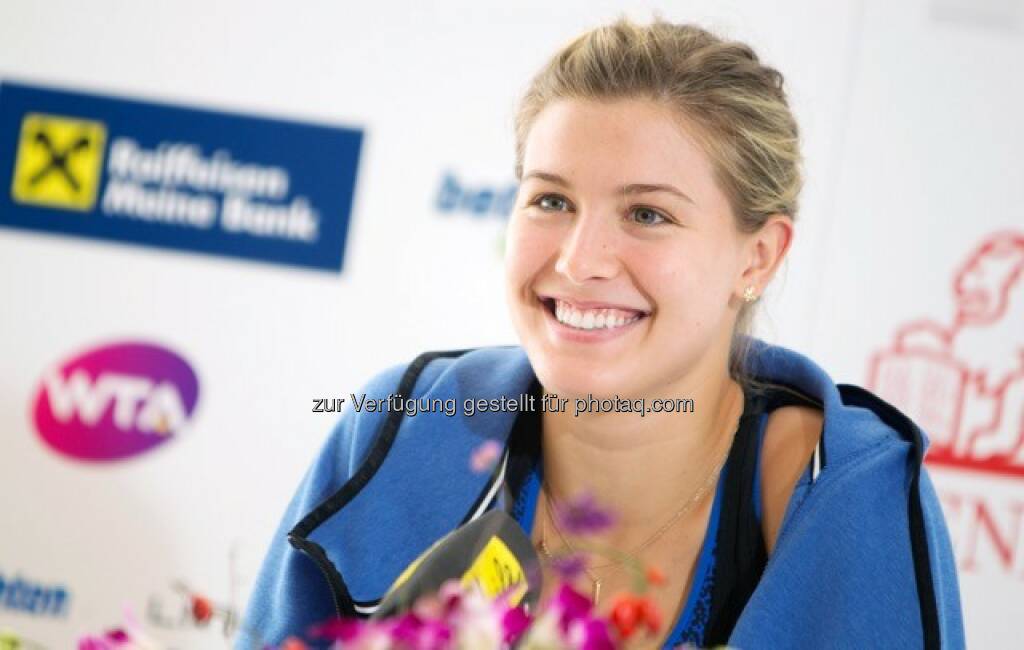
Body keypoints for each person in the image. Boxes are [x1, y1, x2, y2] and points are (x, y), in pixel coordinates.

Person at [239, 18, 965, 649]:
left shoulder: (842, 492)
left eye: (647, 214)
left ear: (758, 255)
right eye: (550, 199)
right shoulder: (398, 430)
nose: (579, 261)